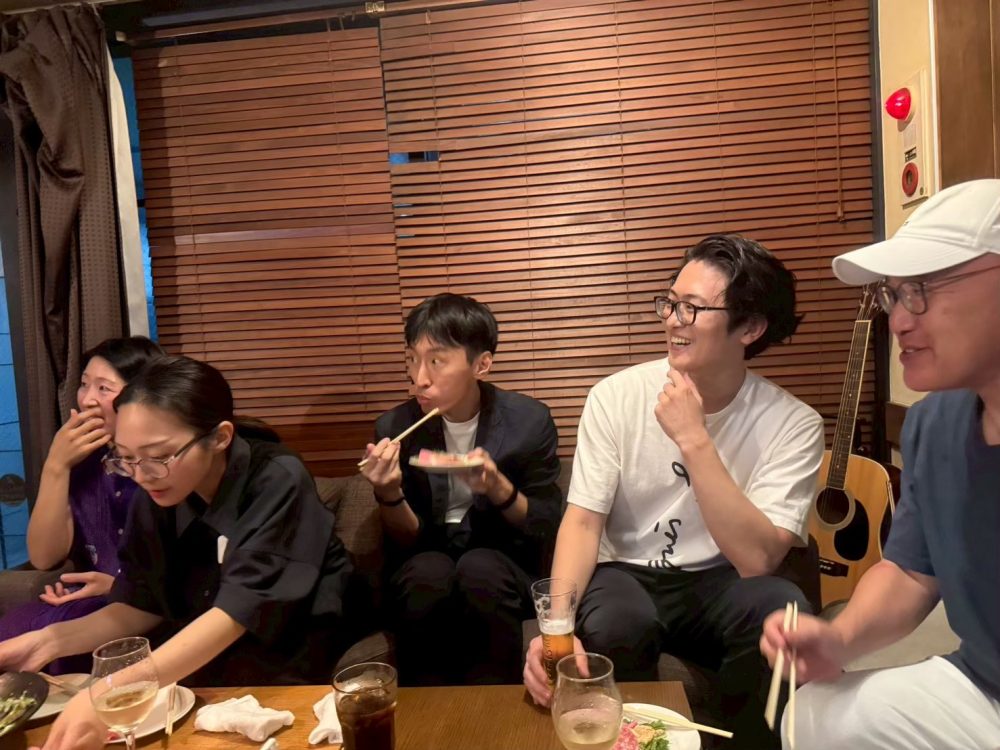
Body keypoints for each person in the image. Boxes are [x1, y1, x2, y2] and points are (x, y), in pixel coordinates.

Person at [523, 234, 826, 749]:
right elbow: (584, 522)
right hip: (626, 573)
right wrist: (555, 630)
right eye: (669, 303)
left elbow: (758, 559)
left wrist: (693, 438)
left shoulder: (793, 423)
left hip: (723, 579)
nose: (672, 320)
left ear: (750, 327)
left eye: (692, 308)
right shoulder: (615, 396)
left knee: (782, 607)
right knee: (619, 622)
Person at [0, 355, 351, 750]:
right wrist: (41, 643)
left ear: (220, 437)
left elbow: (237, 613)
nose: (140, 473)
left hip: (290, 646)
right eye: (126, 457)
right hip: (208, 651)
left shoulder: (276, 478)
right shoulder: (156, 491)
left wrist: (108, 692)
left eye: (158, 456)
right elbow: (140, 603)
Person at [760, 179, 1000, 749]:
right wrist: (838, 638)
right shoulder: (932, 425)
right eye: (894, 294)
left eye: (922, 289)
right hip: (984, 686)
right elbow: (911, 571)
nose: (898, 322)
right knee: (811, 715)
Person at [360, 292, 561, 685]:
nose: (419, 378)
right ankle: (422, 711)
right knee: (427, 572)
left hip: (503, 562)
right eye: (412, 359)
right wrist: (389, 492)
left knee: (480, 566)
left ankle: (498, 706)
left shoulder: (528, 422)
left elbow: (545, 523)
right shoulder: (394, 427)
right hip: (427, 557)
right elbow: (407, 538)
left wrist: (499, 488)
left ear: (481, 364)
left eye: (436, 361)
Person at [0, 336, 164, 668]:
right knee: (18, 627)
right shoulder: (84, 461)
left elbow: (181, 578)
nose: (88, 400)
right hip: (91, 603)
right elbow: (45, 557)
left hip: (151, 608)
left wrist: (116, 585)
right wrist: (56, 466)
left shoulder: (164, 466)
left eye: (104, 388)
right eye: (84, 384)